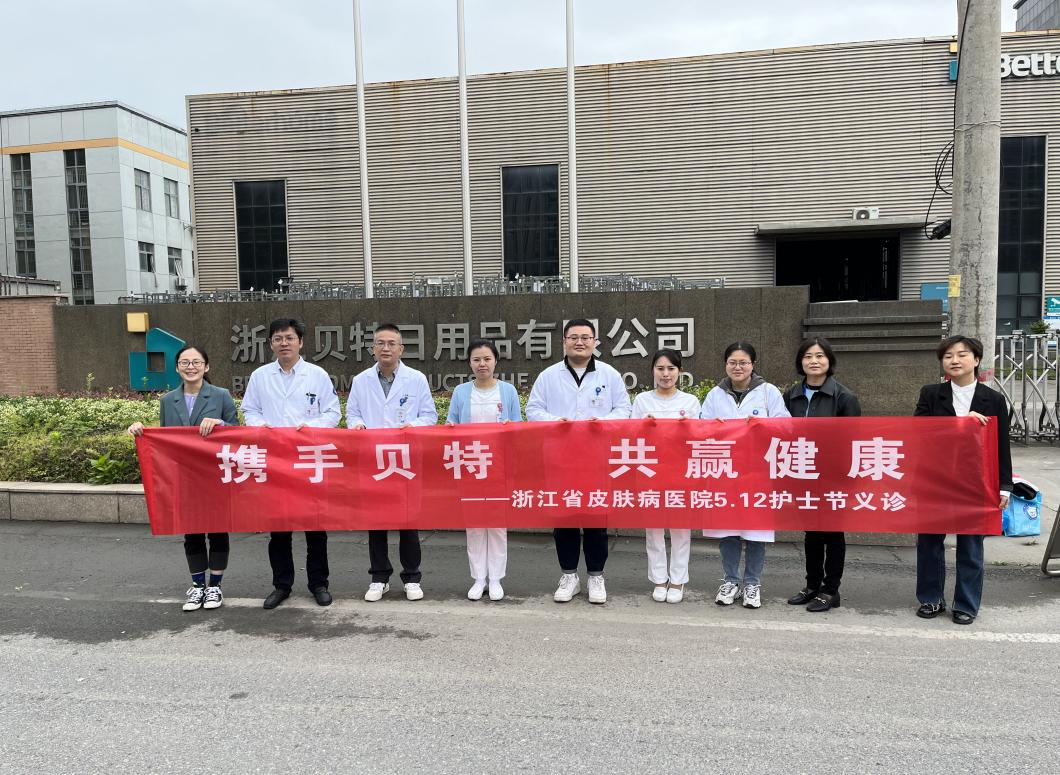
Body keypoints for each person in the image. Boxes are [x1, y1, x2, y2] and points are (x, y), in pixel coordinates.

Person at [526, 318, 632, 604]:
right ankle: (569, 576)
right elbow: (533, 410)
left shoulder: (609, 374)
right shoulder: (549, 376)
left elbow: (624, 409)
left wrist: (603, 422)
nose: (580, 342)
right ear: (564, 342)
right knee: (565, 520)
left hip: (597, 459)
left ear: (595, 342)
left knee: (596, 519)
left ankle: (596, 576)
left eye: (586, 337)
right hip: (560, 459)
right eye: (574, 337)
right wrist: (555, 421)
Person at [129, 345, 238, 612]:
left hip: (214, 474)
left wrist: (221, 424)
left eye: (196, 362)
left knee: (217, 530)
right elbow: (165, 438)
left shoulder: (221, 395)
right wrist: (141, 430)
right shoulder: (168, 400)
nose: (191, 367)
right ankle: (198, 585)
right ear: (177, 368)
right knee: (192, 532)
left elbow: (237, 431)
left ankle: (215, 586)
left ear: (206, 366)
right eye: (185, 362)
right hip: (184, 476)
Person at [241, 318, 341, 610]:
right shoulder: (260, 376)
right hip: (275, 460)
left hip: (309, 459)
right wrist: (262, 428)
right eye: (278, 338)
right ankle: (281, 585)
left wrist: (310, 428)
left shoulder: (317, 375)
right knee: (279, 530)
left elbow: (333, 413)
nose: (284, 343)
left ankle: (319, 584)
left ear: (301, 342)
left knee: (315, 527)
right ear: (271, 344)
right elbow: (250, 410)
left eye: (289, 338)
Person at [913, 335, 1012, 625]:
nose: (955, 360)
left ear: (976, 360)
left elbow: (1001, 446)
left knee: (971, 546)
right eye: (948, 356)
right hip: (934, 480)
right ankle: (930, 599)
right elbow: (919, 433)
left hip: (975, 483)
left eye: (962, 354)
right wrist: (960, 425)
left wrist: (1005, 486)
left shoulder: (993, 399)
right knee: (929, 544)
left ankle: (966, 604)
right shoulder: (931, 394)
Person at [347, 323, 438, 602]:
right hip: (373, 459)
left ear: (401, 349)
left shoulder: (416, 379)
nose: (385, 348)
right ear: (373, 348)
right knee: (376, 522)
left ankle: (412, 577)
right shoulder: (361, 380)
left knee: (408, 521)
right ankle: (379, 577)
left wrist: (414, 426)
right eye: (380, 343)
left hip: (405, 459)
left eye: (391, 344)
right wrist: (358, 425)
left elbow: (430, 416)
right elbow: (352, 413)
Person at [699, 342, 790, 609]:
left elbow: (786, 426)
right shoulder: (715, 394)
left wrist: (764, 424)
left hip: (757, 471)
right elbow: (700, 429)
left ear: (753, 365)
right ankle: (731, 580)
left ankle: (752, 584)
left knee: (755, 532)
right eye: (732, 362)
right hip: (724, 471)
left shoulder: (768, 392)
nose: (737, 367)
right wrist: (712, 427)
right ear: (725, 364)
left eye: (743, 362)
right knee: (728, 530)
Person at [782, 337, 861, 613]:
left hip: (834, 476)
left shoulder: (844, 397)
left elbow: (853, 441)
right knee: (812, 532)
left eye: (819, 356)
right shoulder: (790, 395)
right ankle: (812, 585)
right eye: (808, 356)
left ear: (829, 361)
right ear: (800, 362)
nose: (814, 361)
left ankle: (830, 590)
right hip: (802, 473)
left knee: (833, 533)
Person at [446, 339, 524, 601]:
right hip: (471, 464)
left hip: (499, 467)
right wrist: (451, 429)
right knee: (475, 525)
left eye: (487, 359)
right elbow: (451, 423)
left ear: (495, 361)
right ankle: (479, 578)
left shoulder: (508, 391)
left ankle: (496, 578)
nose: (482, 364)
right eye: (477, 359)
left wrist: (511, 428)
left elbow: (518, 427)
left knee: (498, 525)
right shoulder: (461, 392)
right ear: (470, 363)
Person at [631, 348, 701, 604]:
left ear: (679, 371)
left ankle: (678, 580)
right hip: (650, 472)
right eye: (660, 368)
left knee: (681, 530)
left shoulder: (690, 402)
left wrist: (687, 429)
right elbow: (629, 436)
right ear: (653, 371)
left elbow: (700, 438)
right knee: (654, 530)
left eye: (671, 369)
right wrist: (643, 426)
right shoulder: (642, 401)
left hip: (681, 473)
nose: (665, 374)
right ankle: (659, 580)